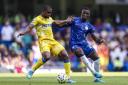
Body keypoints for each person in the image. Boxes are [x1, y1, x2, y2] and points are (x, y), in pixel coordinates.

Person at [18, 5, 75, 83]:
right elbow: (30, 27)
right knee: (47, 57)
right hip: (43, 41)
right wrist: (23, 32)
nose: (49, 14)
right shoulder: (37, 19)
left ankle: (68, 78)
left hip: (52, 41)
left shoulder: (49, 18)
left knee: (65, 55)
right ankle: (32, 70)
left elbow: (57, 23)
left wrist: (66, 20)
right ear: (43, 11)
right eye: (48, 13)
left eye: (50, 13)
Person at [63, 7, 104, 82]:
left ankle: (97, 79)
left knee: (96, 58)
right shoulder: (74, 20)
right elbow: (65, 24)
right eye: (83, 13)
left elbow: (94, 37)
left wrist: (99, 40)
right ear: (81, 13)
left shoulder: (89, 25)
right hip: (74, 43)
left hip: (84, 44)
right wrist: (66, 21)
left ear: (89, 15)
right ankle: (94, 73)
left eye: (87, 13)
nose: (85, 14)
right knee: (79, 51)